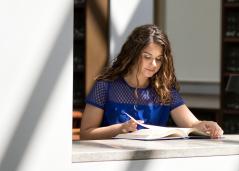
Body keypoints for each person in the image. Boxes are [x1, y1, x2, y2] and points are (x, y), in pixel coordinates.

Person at [80, 24, 224, 139]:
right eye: (147, 57)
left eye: (159, 59)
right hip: (110, 162)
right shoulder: (105, 86)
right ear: (133, 54)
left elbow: (192, 124)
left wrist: (206, 125)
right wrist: (119, 129)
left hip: (153, 164)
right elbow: (86, 134)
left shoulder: (164, 89)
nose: (154, 64)